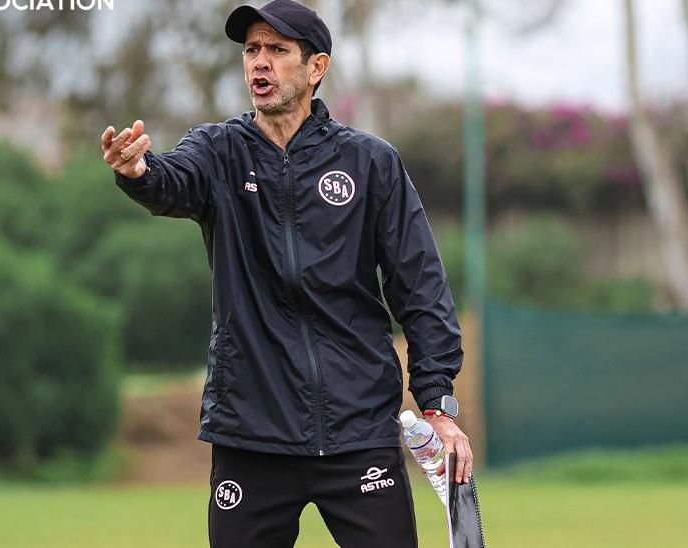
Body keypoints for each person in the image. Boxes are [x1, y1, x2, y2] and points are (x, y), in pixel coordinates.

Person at [100, 1, 473, 546]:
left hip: (358, 430)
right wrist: (138, 170)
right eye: (252, 50)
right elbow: (172, 181)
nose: (259, 63)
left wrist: (436, 402)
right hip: (251, 431)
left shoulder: (371, 162)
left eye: (277, 50)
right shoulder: (218, 151)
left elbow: (420, 288)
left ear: (316, 67)